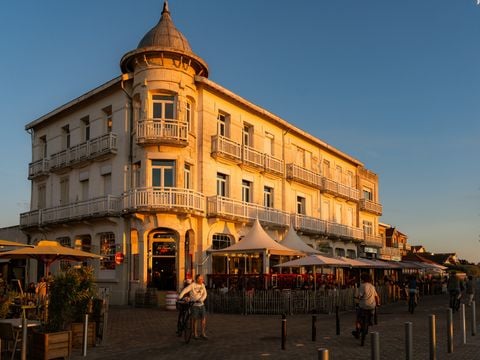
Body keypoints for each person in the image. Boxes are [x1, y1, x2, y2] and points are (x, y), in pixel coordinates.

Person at [178, 274, 208, 340]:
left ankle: (203, 333)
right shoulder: (192, 285)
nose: (202, 280)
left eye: (202, 279)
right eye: (200, 279)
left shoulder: (203, 285)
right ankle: (195, 334)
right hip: (194, 305)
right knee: (195, 319)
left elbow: (205, 294)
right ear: (197, 279)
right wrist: (180, 297)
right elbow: (185, 290)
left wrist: (201, 300)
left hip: (201, 304)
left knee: (203, 319)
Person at [352, 273, 379, 339]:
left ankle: (358, 331)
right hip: (372, 306)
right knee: (371, 313)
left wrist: (356, 297)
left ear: (363, 279)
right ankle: (370, 321)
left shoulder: (362, 286)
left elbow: (359, 295)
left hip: (363, 305)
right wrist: (378, 304)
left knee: (358, 318)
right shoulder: (372, 286)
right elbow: (377, 297)